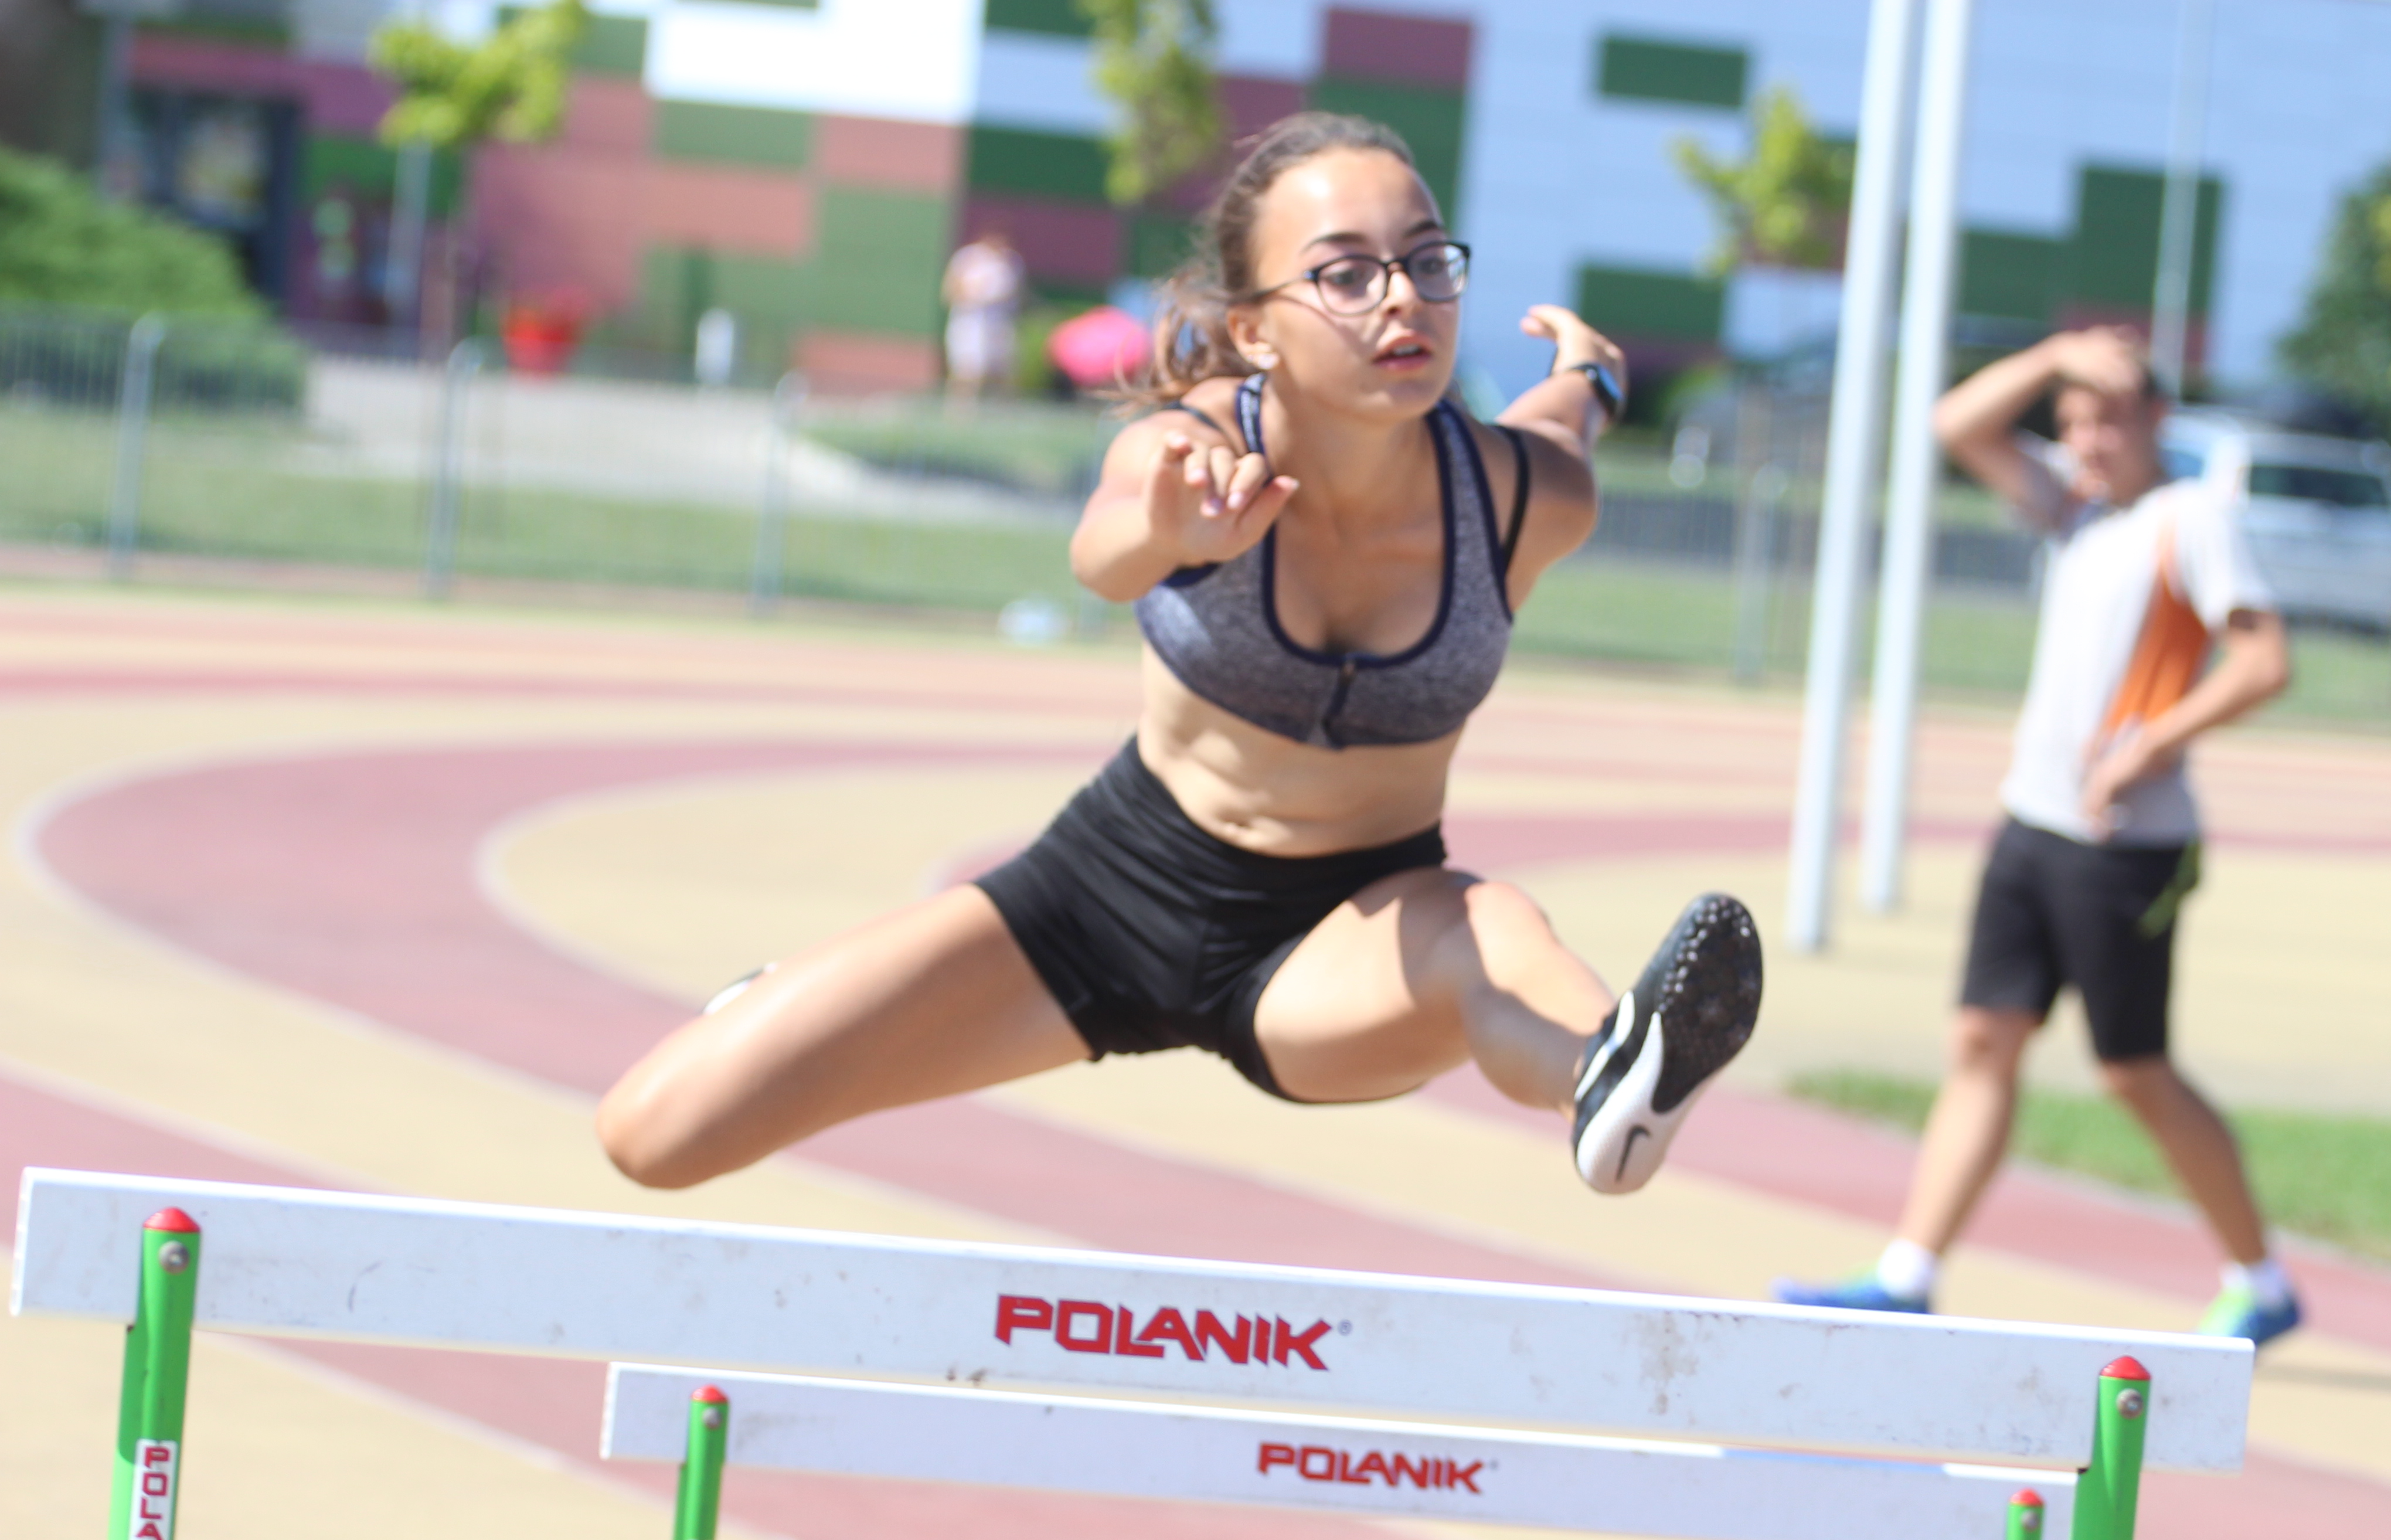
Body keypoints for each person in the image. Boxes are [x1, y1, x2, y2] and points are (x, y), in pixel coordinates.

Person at [596, 112, 1760, 1201]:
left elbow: (1564, 421)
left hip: (1347, 937)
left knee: (1487, 924)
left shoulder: (1518, 500)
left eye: (1425, 262)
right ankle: (797, 1009)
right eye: (1347, 271)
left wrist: (1591, 373)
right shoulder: (1192, 449)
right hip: (1101, 897)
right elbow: (1101, 556)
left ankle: (1615, 1079)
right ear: (1254, 329)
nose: (1402, 297)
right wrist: (1172, 534)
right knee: (653, 1135)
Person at [1775, 329, 2301, 1346]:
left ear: (2156, 420)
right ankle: (1907, 1271)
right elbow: (1952, 426)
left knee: (2131, 1071)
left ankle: (2262, 1278)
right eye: (2069, 423)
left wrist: (2155, 742)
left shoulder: (2185, 520)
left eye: (2106, 417)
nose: (2085, 439)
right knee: (1980, 1039)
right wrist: (2059, 354)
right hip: (2031, 821)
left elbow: (2263, 661)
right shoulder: (2074, 512)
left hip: (2124, 845)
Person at [943, 229, 1023, 401]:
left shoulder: (1011, 260)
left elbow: (1014, 293)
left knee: (1000, 368)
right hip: (970, 319)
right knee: (968, 367)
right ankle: (960, 407)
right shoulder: (968, 257)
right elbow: (951, 289)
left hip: (998, 320)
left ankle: (997, 408)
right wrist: (974, 296)